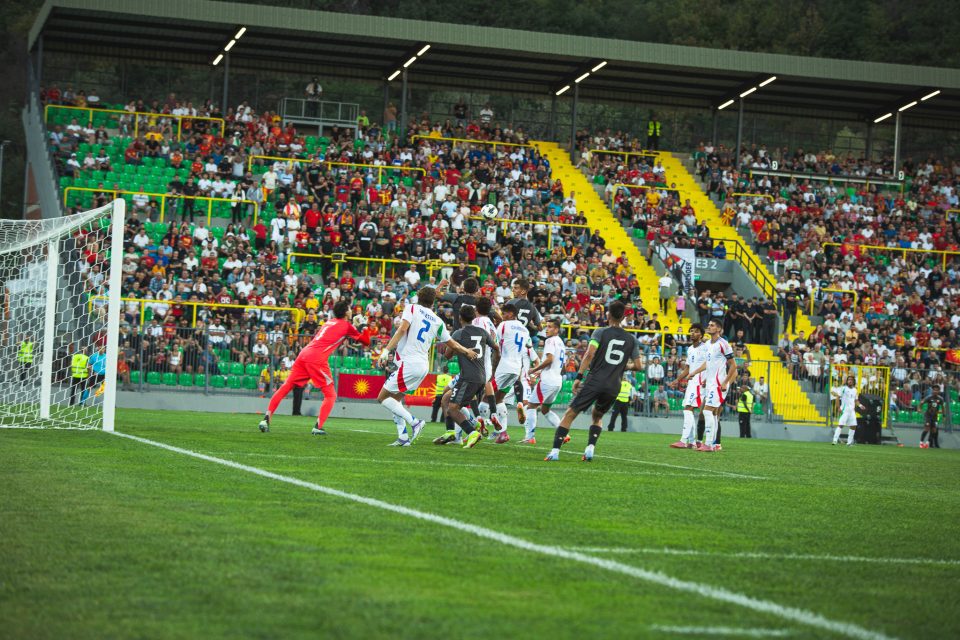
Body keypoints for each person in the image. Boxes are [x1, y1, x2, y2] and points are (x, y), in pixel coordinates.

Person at [377, 286, 478, 447]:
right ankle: (403, 437)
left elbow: (402, 329)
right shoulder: (437, 321)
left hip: (410, 363)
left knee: (383, 397)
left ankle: (415, 422)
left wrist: (386, 350)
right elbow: (451, 343)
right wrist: (467, 351)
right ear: (434, 301)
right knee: (396, 400)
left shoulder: (412, 308)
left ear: (418, 297)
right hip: (423, 365)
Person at [544, 300, 643, 462]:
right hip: (614, 385)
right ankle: (590, 449)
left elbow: (589, 354)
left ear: (608, 314)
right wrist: (623, 367)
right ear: (623, 316)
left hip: (595, 380)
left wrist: (579, 376)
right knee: (597, 416)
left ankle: (555, 451)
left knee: (570, 413)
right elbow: (639, 366)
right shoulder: (631, 339)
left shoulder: (600, 332)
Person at [257, 300, 372, 435]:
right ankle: (318, 426)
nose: (351, 310)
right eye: (349, 308)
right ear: (346, 311)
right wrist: (364, 326)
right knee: (331, 395)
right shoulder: (347, 326)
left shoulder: (329, 322)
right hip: (317, 358)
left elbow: (339, 331)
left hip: (304, 354)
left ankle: (266, 419)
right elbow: (366, 342)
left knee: (286, 386)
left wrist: (356, 326)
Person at [433, 305, 498, 448]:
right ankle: (451, 432)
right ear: (474, 317)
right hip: (482, 376)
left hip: (468, 377)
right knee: (446, 399)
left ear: (459, 318)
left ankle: (472, 432)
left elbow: (448, 355)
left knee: (452, 408)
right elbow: (496, 348)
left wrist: (460, 349)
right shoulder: (483, 332)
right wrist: (494, 366)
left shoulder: (458, 334)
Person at [687, 319, 737, 452]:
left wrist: (725, 382)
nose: (709, 326)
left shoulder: (723, 344)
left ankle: (708, 444)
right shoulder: (708, 344)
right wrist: (695, 373)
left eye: (712, 325)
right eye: (708, 324)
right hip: (709, 383)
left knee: (707, 411)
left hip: (718, 384)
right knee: (713, 414)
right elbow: (707, 364)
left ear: (719, 329)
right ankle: (714, 444)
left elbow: (733, 365)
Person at [487, 302, 532, 443]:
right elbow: (529, 345)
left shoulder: (503, 325)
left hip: (504, 366)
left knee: (485, 397)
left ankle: (479, 428)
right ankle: (503, 433)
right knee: (500, 399)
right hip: (516, 368)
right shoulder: (525, 329)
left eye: (504, 313)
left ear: (511, 314)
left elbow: (495, 344)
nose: (502, 316)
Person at [521, 317, 565, 444]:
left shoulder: (550, 341)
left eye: (550, 327)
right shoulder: (561, 343)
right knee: (545, 410)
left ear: (556, 329)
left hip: (548, 381)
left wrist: (535, 370)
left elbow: (549, 359)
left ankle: (530, 437)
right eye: (546, 326)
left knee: (531, 406)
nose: (546, 330)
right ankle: (564, 433)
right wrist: (543, 371)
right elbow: (563, 367)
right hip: (557, 381)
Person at [669, 323, 706, 448]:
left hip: (700, 381)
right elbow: (687, 369)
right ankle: (691, 441)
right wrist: (677, 380)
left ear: (701, 334)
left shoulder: (705, 348)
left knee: (688, 408)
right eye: (691, 331)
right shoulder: (690, 349)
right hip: (692, 382)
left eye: (695, 331)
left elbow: (709, 365)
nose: (692, 333)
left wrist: (705, 379)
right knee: (688, 408)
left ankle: (684, 441)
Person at [832, 375, 865, 446]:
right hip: (845, 410)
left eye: (851, 380)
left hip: (852, 411)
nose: (849, 381)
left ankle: (849, 442)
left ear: (853, 382)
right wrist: (838, 407)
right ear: (847, 381)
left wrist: (860, 405)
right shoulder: (843, 388)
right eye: (848, 380)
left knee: (853, 425)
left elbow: (856, 400)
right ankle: (835, 440)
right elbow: (838, 397)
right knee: (841, 425)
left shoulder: (855, 390)